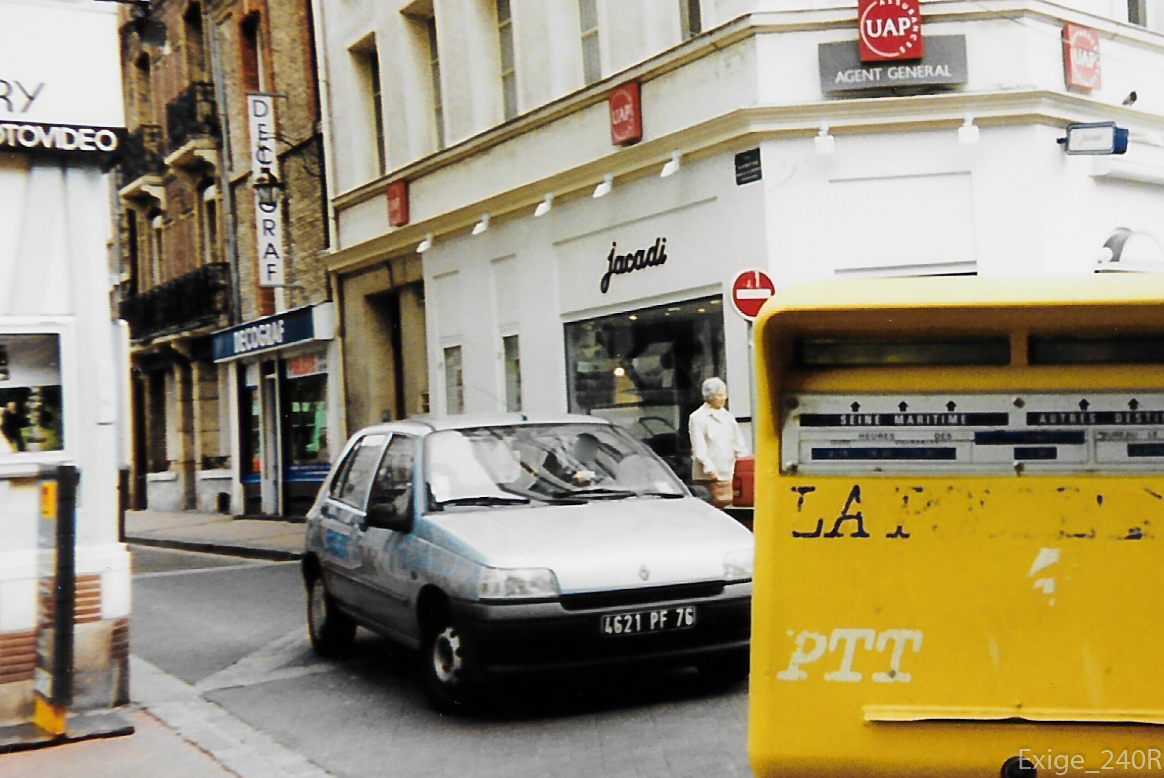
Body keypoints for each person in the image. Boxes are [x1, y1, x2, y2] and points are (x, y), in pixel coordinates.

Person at [688, 377, 747, 509]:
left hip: (729, 472)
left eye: (724, 395)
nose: (723, 398)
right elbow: (699, 448)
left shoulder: (728, 417)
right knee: (711, 507)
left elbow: (738, 444)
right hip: (709, 476)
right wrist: (709, 469)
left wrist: (744, 464)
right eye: (719, 395)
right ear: (710, 397)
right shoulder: (697, 418)